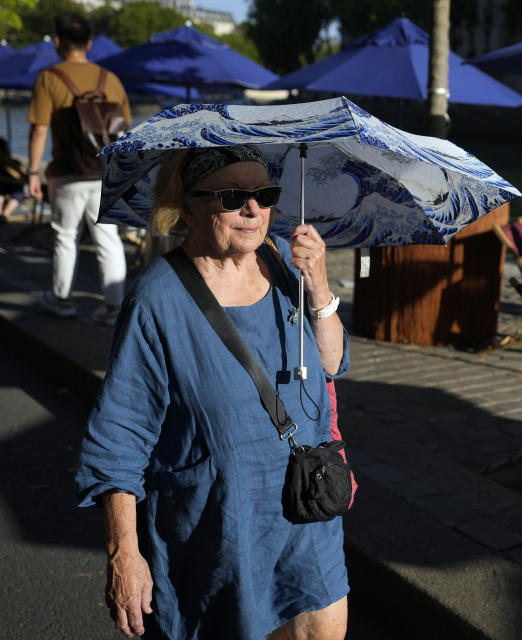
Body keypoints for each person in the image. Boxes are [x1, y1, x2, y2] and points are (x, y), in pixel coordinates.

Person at [75, 145, 350, 639]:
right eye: (232, 197)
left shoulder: (282, 267)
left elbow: (332, 364)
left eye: (264, 195)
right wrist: (124, 553)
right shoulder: (157, 299)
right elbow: (119, 437)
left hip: (305, 512)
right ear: (188, 206)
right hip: (220, 530)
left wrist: (320, 286)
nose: (254, 210)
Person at [27, 11, 130, 325]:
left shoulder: (49, 78)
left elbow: (40, 129)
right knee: (109, 239)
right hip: (105, 173)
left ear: (57, 42)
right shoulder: (109, 79)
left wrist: (32, 172)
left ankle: (63, 300)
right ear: (89, 43)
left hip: (68, 172)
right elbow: (126, 130)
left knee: (64, 236)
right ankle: (113, 308)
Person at [0, 138, 26, 222]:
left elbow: (23, 177)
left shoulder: (13, 163)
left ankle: (4, 215)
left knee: (16, 193)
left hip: (13, 187)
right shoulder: (13, 163)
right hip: (11, 187)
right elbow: (24, 178)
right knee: (16, 193)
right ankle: (4, 215)